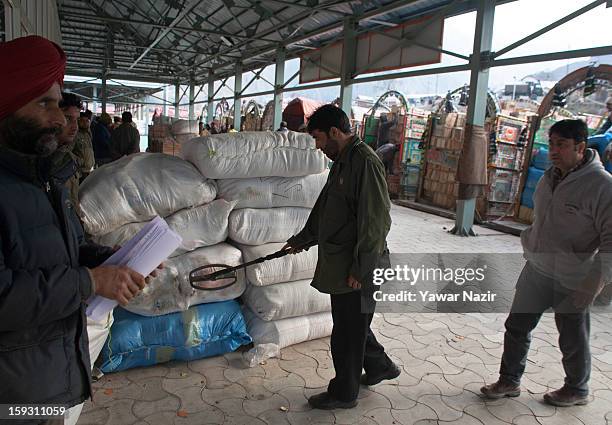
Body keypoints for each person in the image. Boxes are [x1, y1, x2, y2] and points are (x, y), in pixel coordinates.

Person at [0, 35, 160, 423]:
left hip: (47, 375)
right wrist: (90, 282)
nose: (58, 119)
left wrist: (117, 262)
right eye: (44, 103)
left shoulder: (44, 177)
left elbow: (66, 248)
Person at [481, 119, 612, 407]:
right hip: (537, 268)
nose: (553, 150)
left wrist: (596, 282)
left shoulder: (602, 186)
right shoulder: (549, 176)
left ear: (580, 147)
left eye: (561, 145)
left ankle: (577, 389)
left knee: (572, 338)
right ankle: (509, 381)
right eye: (551, 144)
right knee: (516, 327)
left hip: (573, 276)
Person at [282, 105, 399, 410]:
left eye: (319, 138)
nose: (318, 147)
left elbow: (376, 221)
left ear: (335, 132)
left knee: (347, 334)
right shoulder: (343, 161)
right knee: (354, 326)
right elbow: (326, 209)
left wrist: (361, 269)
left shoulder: (364, 162)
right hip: (345, 262)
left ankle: (344, 394)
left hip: (359, 267)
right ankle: (379, 366)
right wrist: (302, 240)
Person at [74, 111, 95, 181]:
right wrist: (81, 162)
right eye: (82, 121)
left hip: (89, 169)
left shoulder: (87, 134)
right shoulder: (75, 135)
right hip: (80, 171)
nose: (85, 123)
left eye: (87, 121)